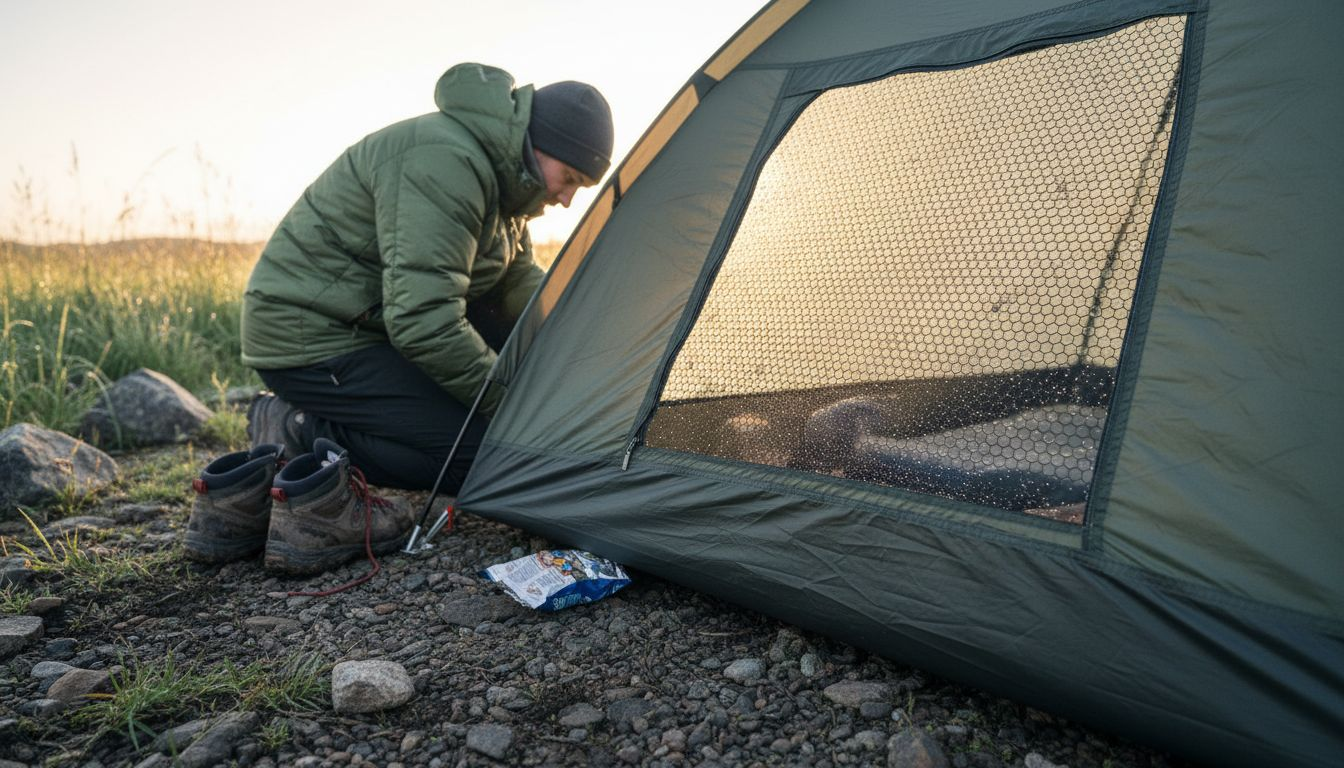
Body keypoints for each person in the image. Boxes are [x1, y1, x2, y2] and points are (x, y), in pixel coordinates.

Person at [181, 63, 612, 574]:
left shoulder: (506, 183)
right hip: (312, 338)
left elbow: (513, 283)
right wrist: (513, 406)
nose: (566, 200)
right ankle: (300, 428)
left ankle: (356, 427)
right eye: (571, 180)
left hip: (371, 322)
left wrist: (584, 328)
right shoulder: (445, 161)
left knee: (506, 412)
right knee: (486, 456)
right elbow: (423, 320)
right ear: (542, 146)